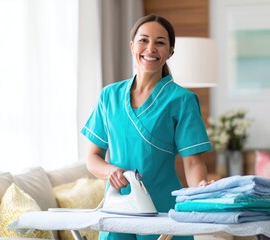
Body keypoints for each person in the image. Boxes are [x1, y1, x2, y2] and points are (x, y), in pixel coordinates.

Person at [81, 14, 212, 240]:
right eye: (143, 40)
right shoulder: (109, 96)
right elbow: (92, 158)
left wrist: (200, 190)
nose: (150, 48)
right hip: (117, 211)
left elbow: (192, 162)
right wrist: (111, 171)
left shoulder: (182, 100)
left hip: (164, 213)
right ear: (132, 46)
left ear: (170, 51)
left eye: (160, 42)